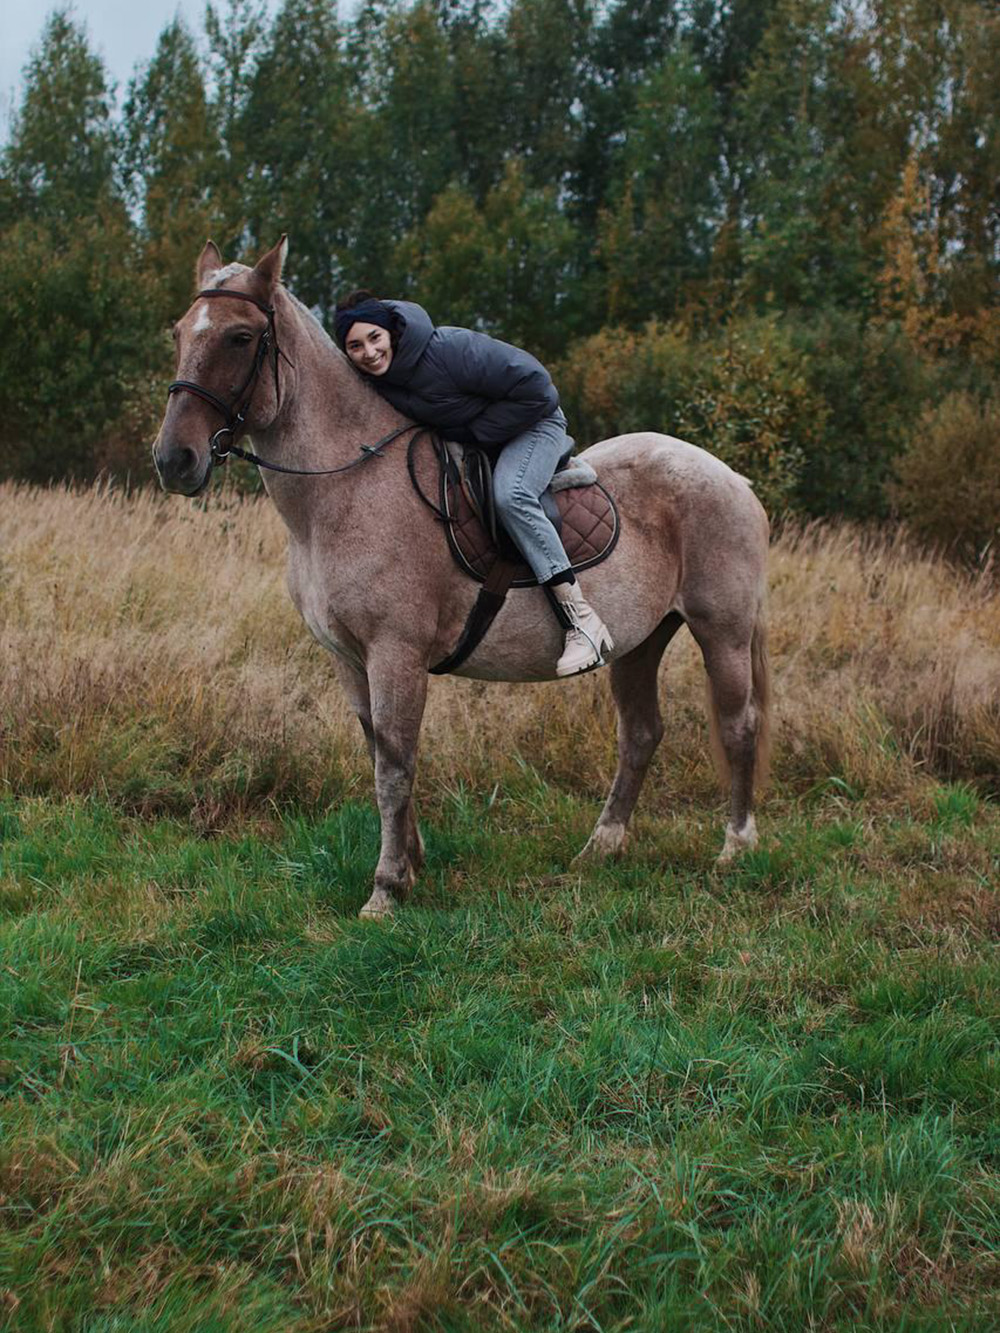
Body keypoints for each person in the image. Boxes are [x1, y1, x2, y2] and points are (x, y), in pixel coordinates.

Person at [332, 291, 613, 677]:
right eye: (355, 346)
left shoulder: (449, 349)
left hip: (535, 422)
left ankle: (582, 622)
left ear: (392, 332)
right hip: (479, 438)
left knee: (510, 494)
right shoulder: (378, 379)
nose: (369, 352)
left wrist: (475, 432)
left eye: (374, 338)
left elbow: (537, 386)